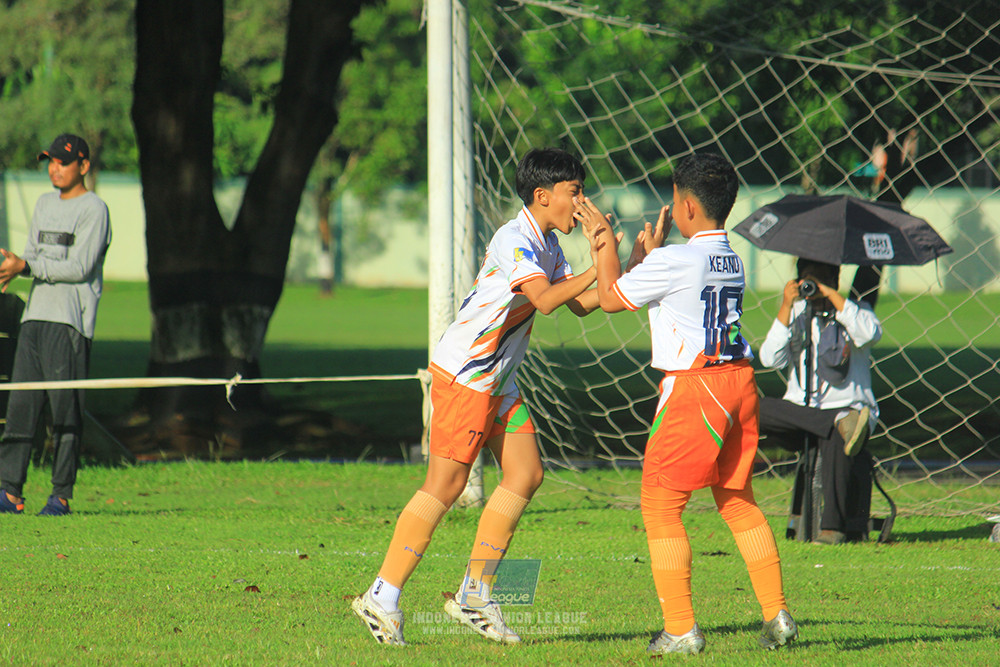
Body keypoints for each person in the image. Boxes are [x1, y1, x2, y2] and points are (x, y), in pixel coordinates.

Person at [351, 147, 607, 646]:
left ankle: (475, 594)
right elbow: (547, 302)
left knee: (526, 473)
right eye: (574, 192)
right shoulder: (516, 240)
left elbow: (579, 303)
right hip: (467, 376)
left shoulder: (549, 245)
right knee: (445, 486)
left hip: (497, 382)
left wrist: (629, 259)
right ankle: (381, 598)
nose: (582, 203)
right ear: (542, 196)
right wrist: (599, 260)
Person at [579, 153, 796, 655]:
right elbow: (681, 285)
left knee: (660, 504)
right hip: (739, 381)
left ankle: (680, 629)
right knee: (736, 498)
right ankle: (777, 614)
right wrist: (655, 257)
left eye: (675, 200)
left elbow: (610, 298)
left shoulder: (677, 258)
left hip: (698, 388)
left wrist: (605, 243)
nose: (672, 209)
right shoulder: (729, 257)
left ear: (689, 206)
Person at [0, 134, 111, 517]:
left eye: (63, 162)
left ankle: (60, 494)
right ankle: (9, 490)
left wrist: (28, 266)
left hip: (69, 323)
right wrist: (13, 268)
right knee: (20, 408)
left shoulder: (95, 209)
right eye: (50, 161)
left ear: (83, 165)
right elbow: (32, 255)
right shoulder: (44, 203)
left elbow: (79, 268)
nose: (54, 168)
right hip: (35, 318)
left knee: (65, 412)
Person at [757, 259, 882, 545]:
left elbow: (870, 334)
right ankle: (835, 422)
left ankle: (831, 529)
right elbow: (769, 359)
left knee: (839, 437)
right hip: (803, 415)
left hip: (852, 412)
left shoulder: (854, 311)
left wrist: (833, 298)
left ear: (836, 279)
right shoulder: (797, 313)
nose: (812, 285)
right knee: (752, 405)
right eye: (806, 279)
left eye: (820, 278)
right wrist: (787, 307)